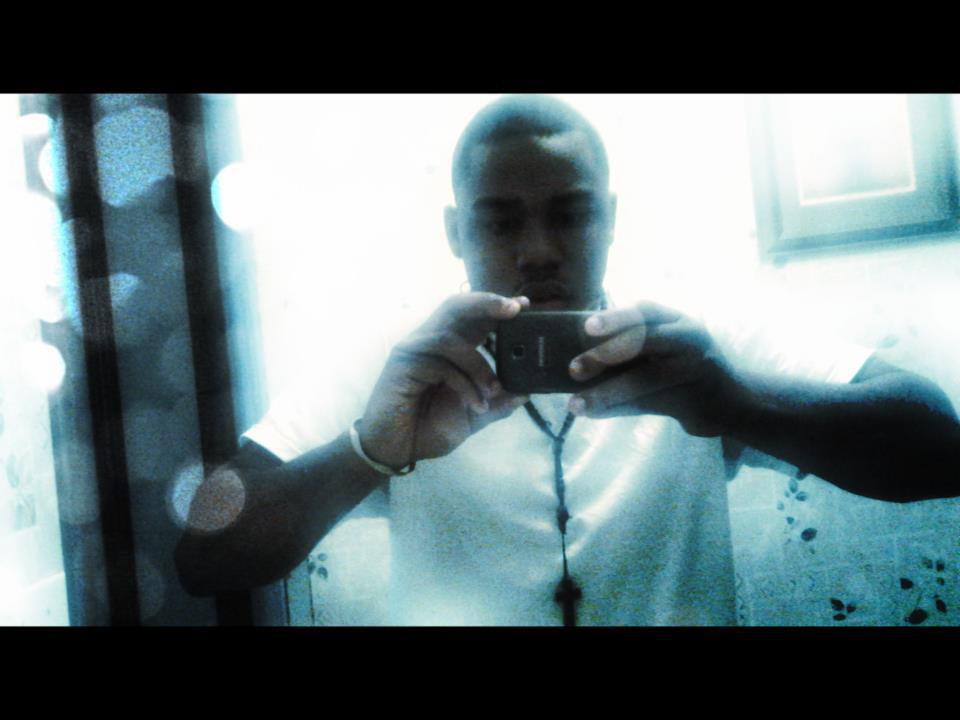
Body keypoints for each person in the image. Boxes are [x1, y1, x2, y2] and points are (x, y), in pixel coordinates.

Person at [175, 94, 960, 625]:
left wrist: (735, 404)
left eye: (571, 214)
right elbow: (204, 556)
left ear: (610, 218)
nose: (538, 251)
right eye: (499, 222)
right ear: (455, 232)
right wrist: (369, 450)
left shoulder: (691, 345)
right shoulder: (399, 365)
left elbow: (942, 449)